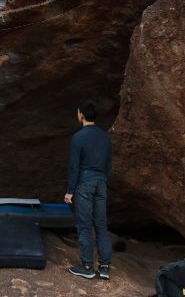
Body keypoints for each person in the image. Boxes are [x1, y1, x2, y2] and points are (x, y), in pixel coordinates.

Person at [64, 100, 113, 280]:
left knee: (84, 225)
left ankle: (87, 266)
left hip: (85, 182)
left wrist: (70, 191)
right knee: (100, 225)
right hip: (101, 183)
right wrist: (101, 179)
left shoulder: (78, 137)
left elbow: (74, 167)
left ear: (82, 115)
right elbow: (108, 165)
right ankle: (105, 267)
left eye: (78, 112)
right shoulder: (105, 137)